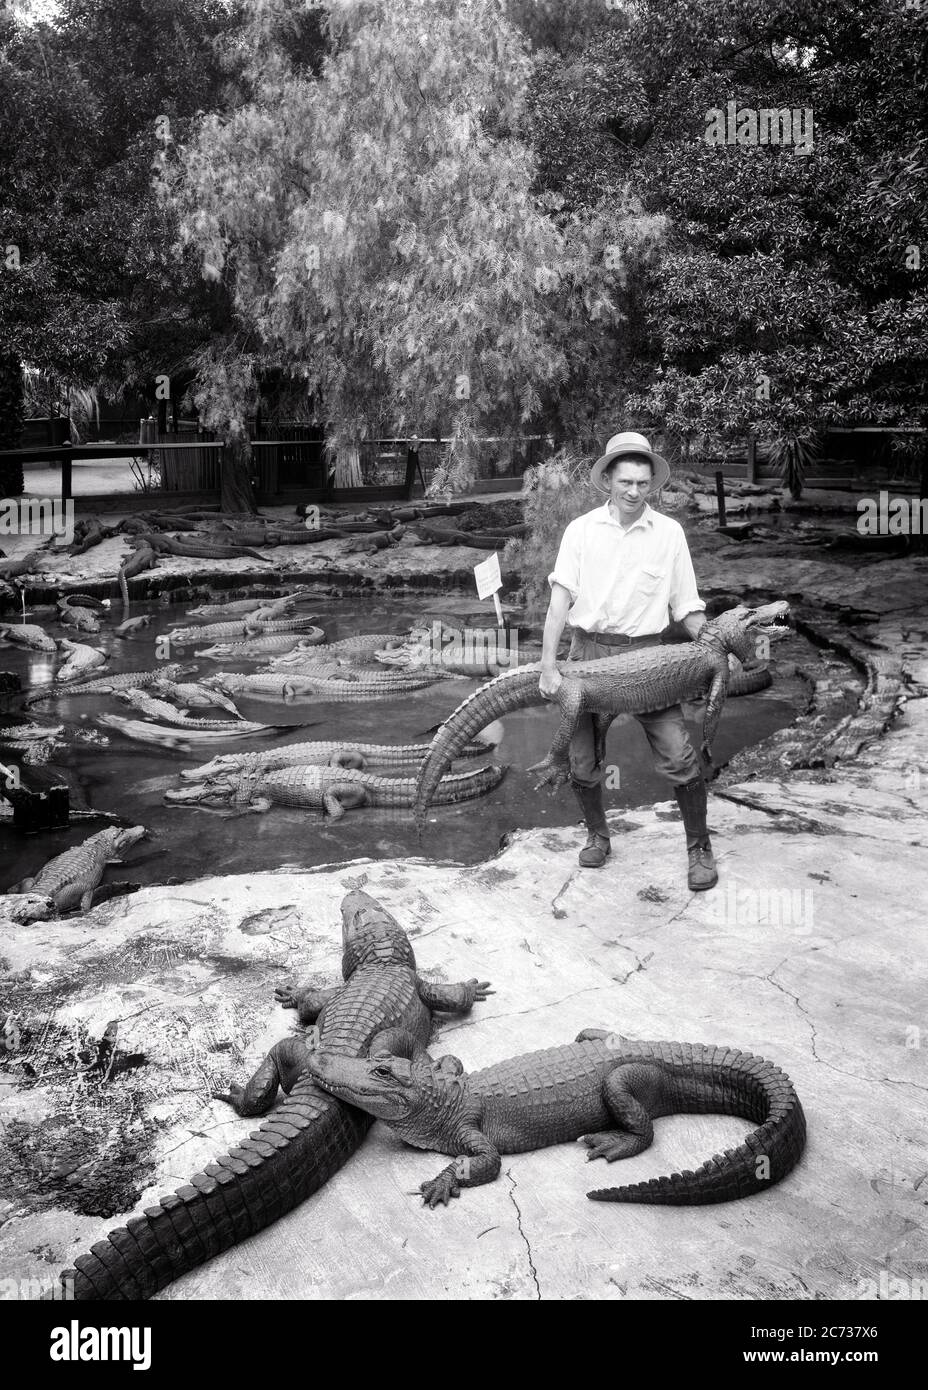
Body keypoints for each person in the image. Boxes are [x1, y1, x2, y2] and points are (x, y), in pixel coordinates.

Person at [539, 430, 718, 891]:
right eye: (626, 482)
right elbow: (560, 601)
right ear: (608, 481)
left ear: (651, 483)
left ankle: (699, 848)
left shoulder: (669, 534)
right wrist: (548, 666)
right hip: (588, 654)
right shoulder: (581, 531)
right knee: (582, 758)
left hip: (648, 658)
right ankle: (598, 836)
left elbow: (687, 608)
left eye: (642, 483)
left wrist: (717, 643)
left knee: (678, 753)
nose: (635, 491)